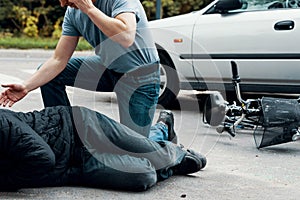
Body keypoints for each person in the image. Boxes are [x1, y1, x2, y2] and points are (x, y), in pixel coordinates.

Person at [0, 0, 160, 137]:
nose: (63, 4)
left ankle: (162, 129)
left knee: (135, 147)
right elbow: (58, 59)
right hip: (107, 68)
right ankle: (63, 133)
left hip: (140, 76)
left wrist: (89, 9)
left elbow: (126, 37)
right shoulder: (72, 13)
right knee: (49, 74)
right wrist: (26, 87)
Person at [0, 106, 207, 191]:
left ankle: (171, 145)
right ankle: (161, 141)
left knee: (156, 154)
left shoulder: (2, 121)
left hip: (79, 126)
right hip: (75, 166)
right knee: (143, 176)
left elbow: (42, 157)